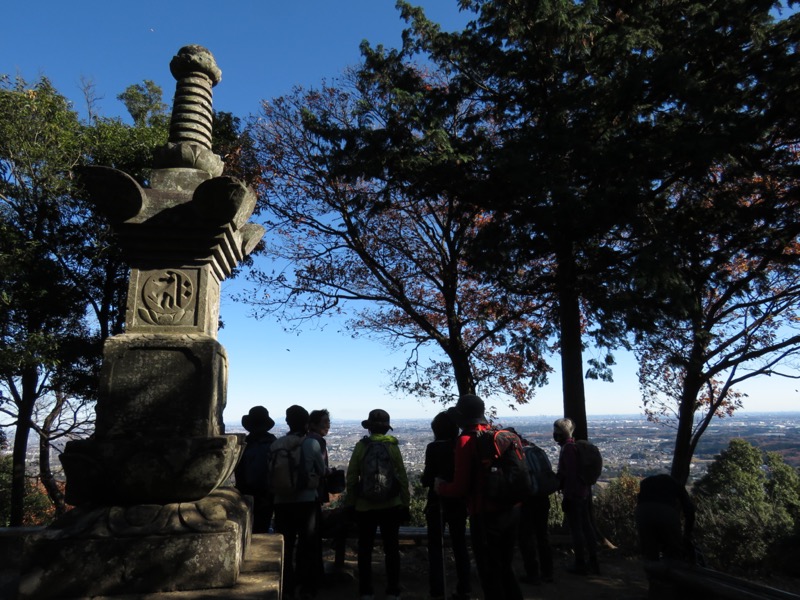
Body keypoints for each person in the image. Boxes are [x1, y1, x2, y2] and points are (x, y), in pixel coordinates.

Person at [435, 394, 524, 600]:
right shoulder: (499, 436)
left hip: (485, 513)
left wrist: (442, 488)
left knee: (489, 571)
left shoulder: (466, 440)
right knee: (504, 566)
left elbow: (460, 487)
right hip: (512, 510)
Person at [345, 409, 410, 600]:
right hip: (391, 505)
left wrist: (351, 503)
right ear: (386, 429)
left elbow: (351, 476)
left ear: (370, 428)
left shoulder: (361, 446)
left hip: (365, 506)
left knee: (365, 549)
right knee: (392, 548)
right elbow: (402, 476)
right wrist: (405, 503)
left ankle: (366, 591)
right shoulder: (392, 446)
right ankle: (393, 590)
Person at [272, 405, 326, 600]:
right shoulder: (311, 444)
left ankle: (286, 586)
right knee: (307, 545)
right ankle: (307, 587)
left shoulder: (277, 444)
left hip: (281, 501)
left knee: (285, 545)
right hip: (306, 501)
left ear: (287, 422)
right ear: (306, 424)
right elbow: (321, 470)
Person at [420, 411, 472, 600]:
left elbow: (426, 479)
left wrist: (430, 480)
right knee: (459, 545)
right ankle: (464, 588)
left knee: (436, 546)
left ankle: (437, 591)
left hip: (437, 503)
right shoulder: (461, 445)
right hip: (458, 501)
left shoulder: (433, 448)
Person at [553, 417, 599, 576]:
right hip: (584, 493)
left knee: (577, 529)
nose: (554, 435)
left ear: (560, 433)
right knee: (586, 526)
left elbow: (571, 475)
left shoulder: (568, 449)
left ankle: (580, 563)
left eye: (556, 432)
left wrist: (567, 496)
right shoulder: (575, 447)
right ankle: (593, 561)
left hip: (575, 495)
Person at [308, 408, 347, 578]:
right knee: (313, 533)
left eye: (328, 422)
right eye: (325, 423)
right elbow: (321, 469)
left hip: (302, 494)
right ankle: (317, 572)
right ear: (314, 424)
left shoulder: (304, 439)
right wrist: (331, 472)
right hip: (313, 493)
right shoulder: (318, 442)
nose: (328, 426)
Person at [517, 434, 554, 584]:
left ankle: (532, 573)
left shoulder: (518, 453)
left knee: (526, 537)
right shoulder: (537, 450)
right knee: (542, 535)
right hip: (543, 497)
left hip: (527, 500)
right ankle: (548, 572)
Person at [234, 405, 277, 533]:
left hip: (246, 492)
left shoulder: (245, 444)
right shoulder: (273, 443)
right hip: (268, 493)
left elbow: (239, 470)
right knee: (262, 526)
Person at [635, 473, 696, 562]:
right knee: (673, 550)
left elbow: (640, 501)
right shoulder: (676, 485)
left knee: (649, 549)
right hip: (666, 512)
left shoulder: (646, 483)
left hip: (643, 512)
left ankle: (652, 571)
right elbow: (689, 509)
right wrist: (687, 533)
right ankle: (673, 570)